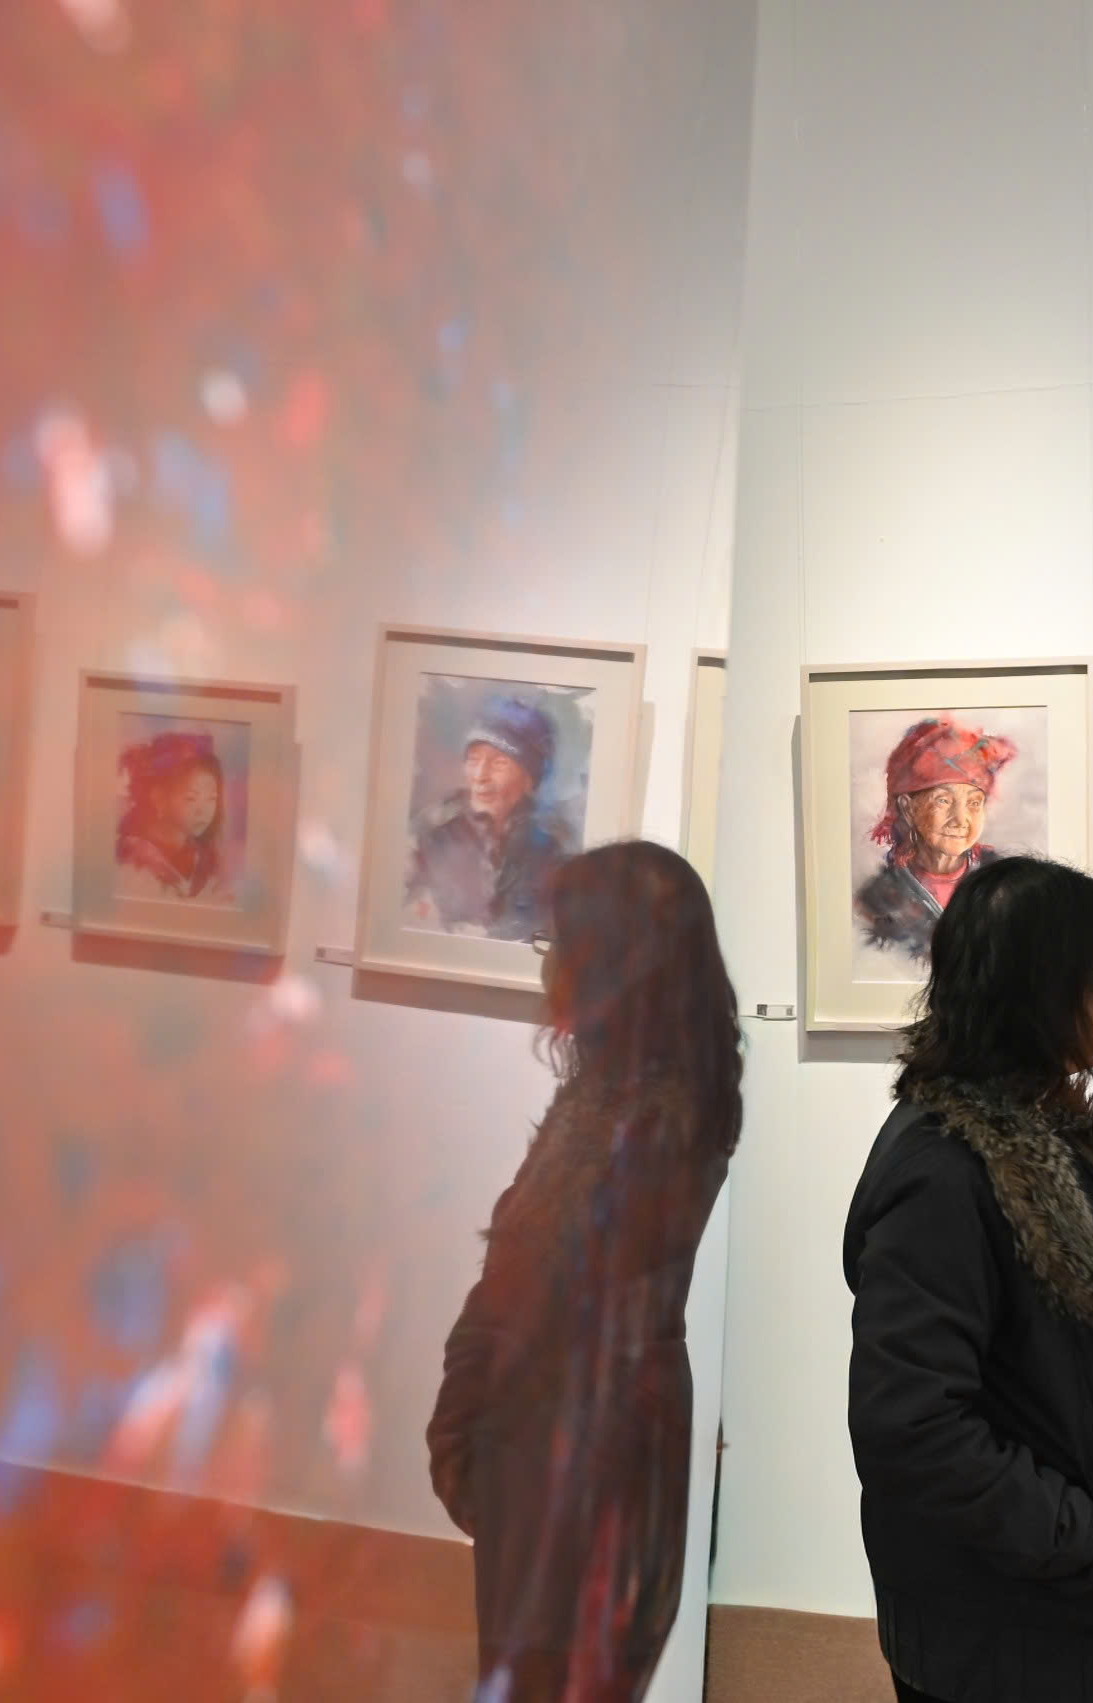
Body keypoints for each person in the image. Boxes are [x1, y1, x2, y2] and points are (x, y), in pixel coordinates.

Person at [845, 855, 1093, 1703]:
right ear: (1055, 993)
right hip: (1014, 1634)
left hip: (1053, 1620)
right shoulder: (945, 1172)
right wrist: (1092, 1547)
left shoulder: (1039, 1130)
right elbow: (911, 1426)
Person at [426, 842, 742, 1702]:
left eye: (560, 940)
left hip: (583, 1457)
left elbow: (547, 1295)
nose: (548, 962)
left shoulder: (654, 1120)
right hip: (565, 1444)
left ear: (615, 958)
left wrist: (466, 1426)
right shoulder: (623, 1095)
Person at [406, 694, 575, 939]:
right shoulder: (431, 836)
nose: (479, 776)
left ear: (529, 780)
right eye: (473, 760)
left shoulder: (552, 849)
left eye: (499, 764)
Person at [855, 717, 1017, 963]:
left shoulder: (1005, 883)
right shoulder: (877, 902)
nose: (960, 820)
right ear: (908, 808)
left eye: (974, 803)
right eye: (943, 800)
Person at [117, 729, 228, 901]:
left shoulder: (206, 862)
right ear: (159, 798)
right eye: (191, 798)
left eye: (212, 798)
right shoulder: (131, 863)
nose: (203, 810)